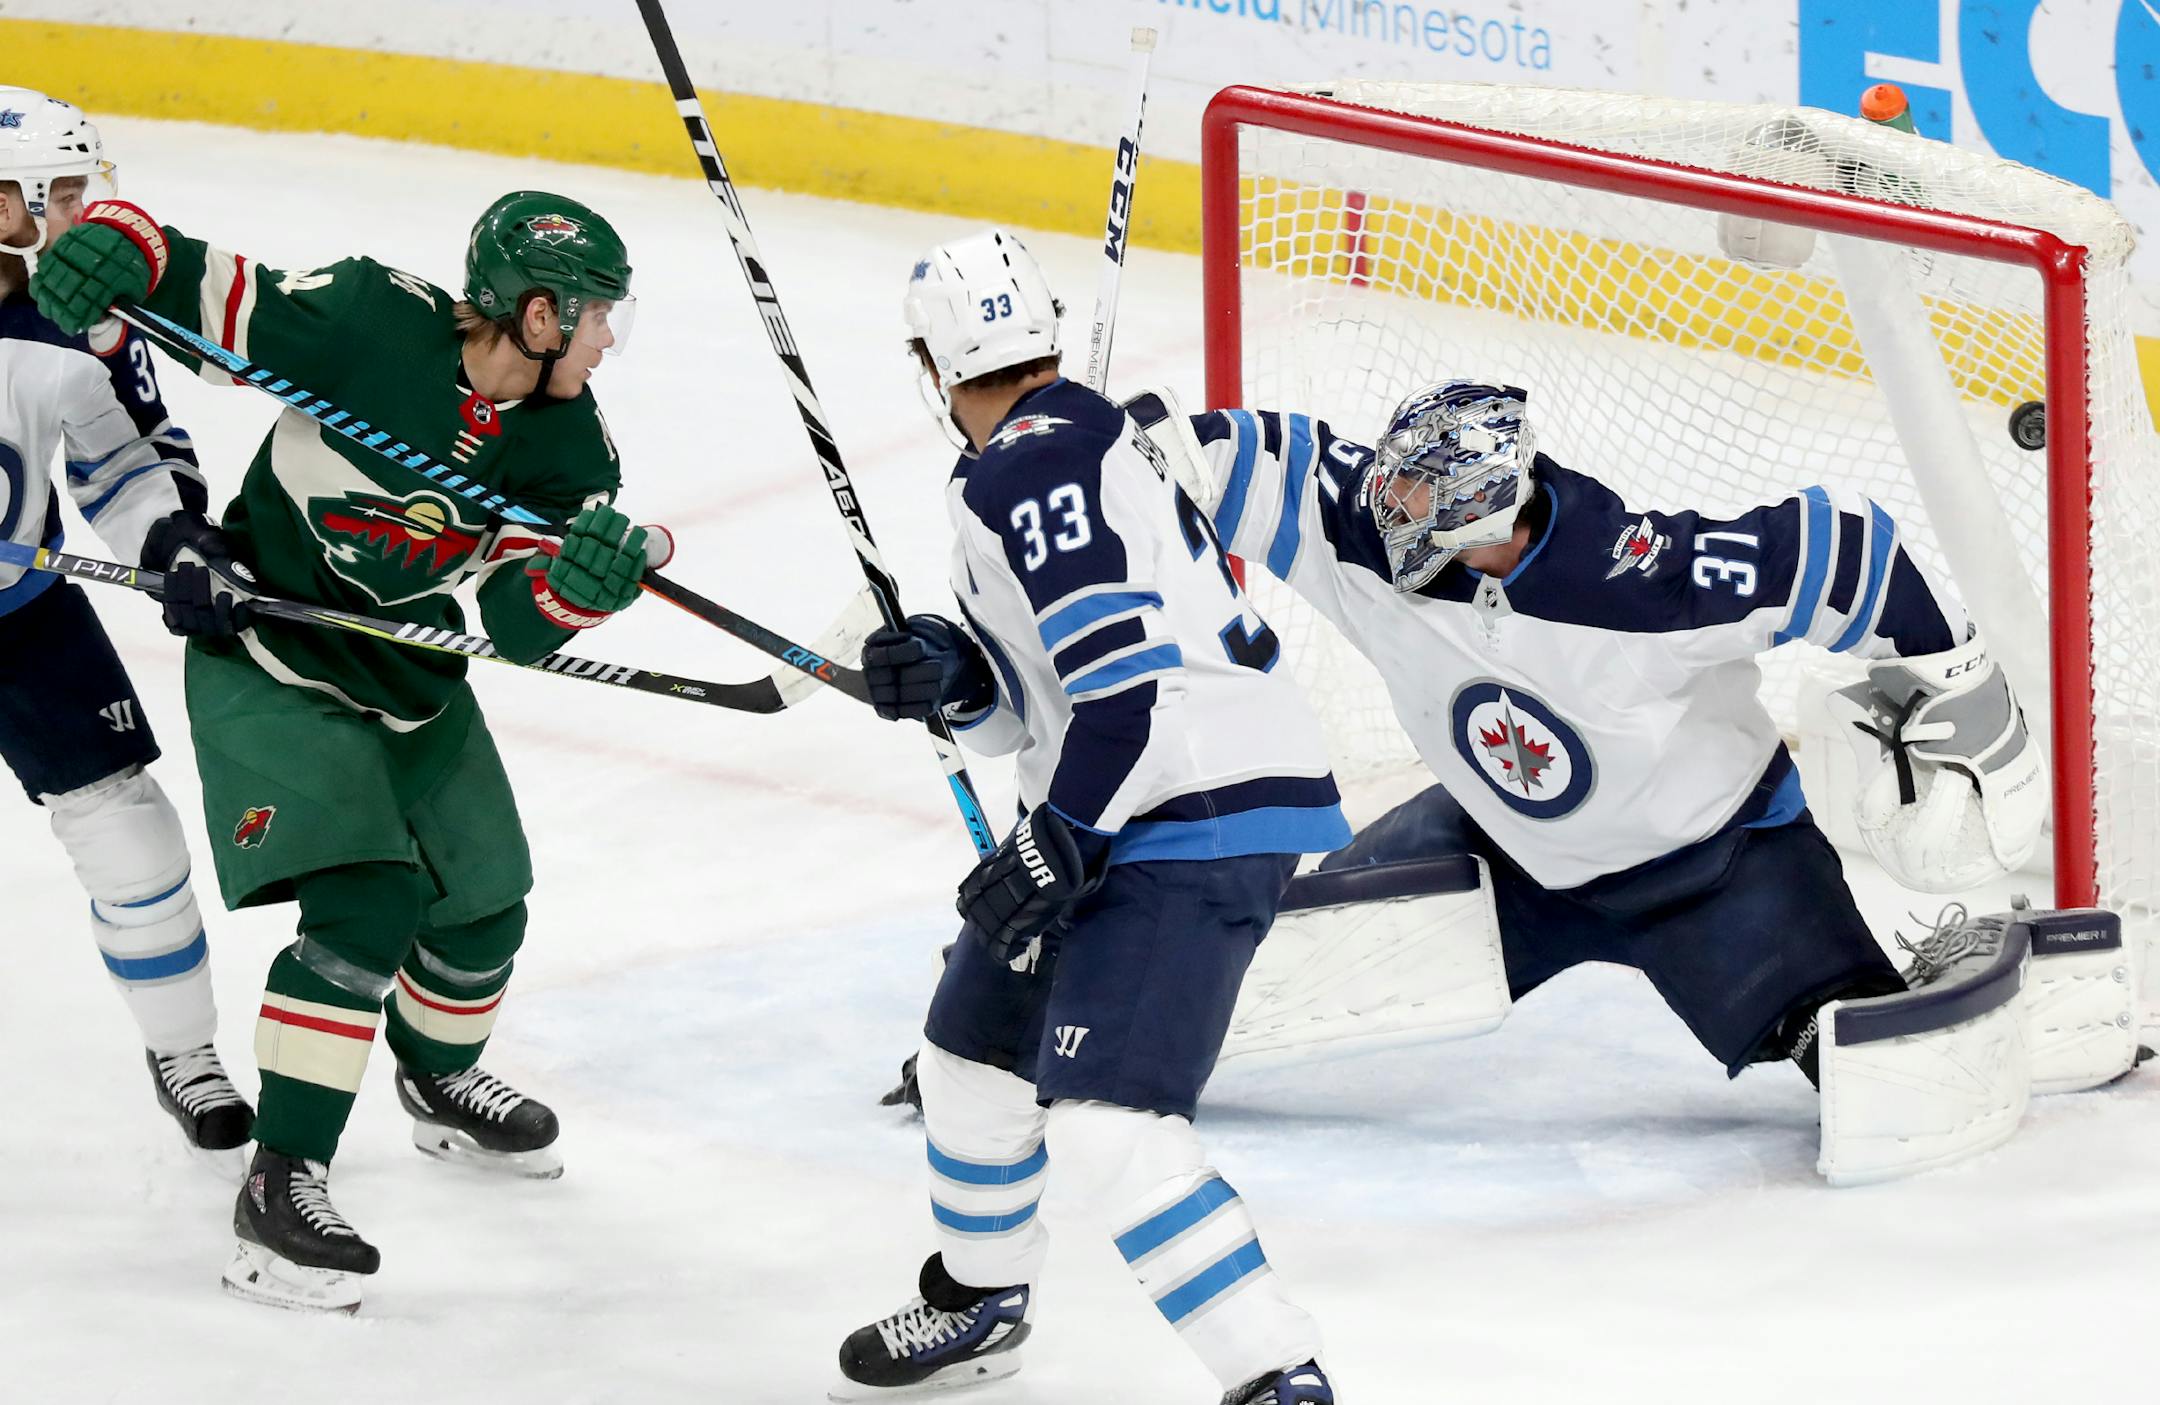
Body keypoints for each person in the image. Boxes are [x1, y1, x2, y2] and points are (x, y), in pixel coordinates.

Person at [32, 184, 656, 1312]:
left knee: (486, 906)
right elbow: (200, 290)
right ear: (537, 314)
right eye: (597, 313)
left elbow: (511, 623)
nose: (607, 338)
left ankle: (437, 1074)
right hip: (271, 656)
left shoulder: (569, 444)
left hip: (411, 680)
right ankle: (280, 1189)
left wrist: (575, 590)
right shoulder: (370, 320)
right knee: (367, 905)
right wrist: (115, 245)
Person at [1128, 377, 2046, 1094]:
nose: (1389, 507)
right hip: (1504, 848)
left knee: (1881, 1074)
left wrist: (1963, 684)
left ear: (1484, 511)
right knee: (1283, 958)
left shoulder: (1639, 583)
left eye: (1418, 494)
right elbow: (1253, 458)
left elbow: (1848, 551)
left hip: (1717, 867)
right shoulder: (1367, 532)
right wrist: (1120, 456)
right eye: (1395, 483)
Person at [833, 228, 1350, 1405]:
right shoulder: (1053, 448)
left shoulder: (1031, 467)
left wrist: (1061, 837)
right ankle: (979, 1300)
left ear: (932, 363)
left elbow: (1127, 694)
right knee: (969, 1058)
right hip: (1134, 791)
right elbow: (1042, 704)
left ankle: (1279, 1375)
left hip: (1188, 806)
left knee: (1111, 1123)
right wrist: (954, 672)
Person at [0, 87, 253, 1162]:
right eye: (58, 194)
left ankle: (183, 1052)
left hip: (24, 618)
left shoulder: (82, 320)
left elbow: (128, 459)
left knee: (132, 837)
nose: (80, 214)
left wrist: (174, 542)